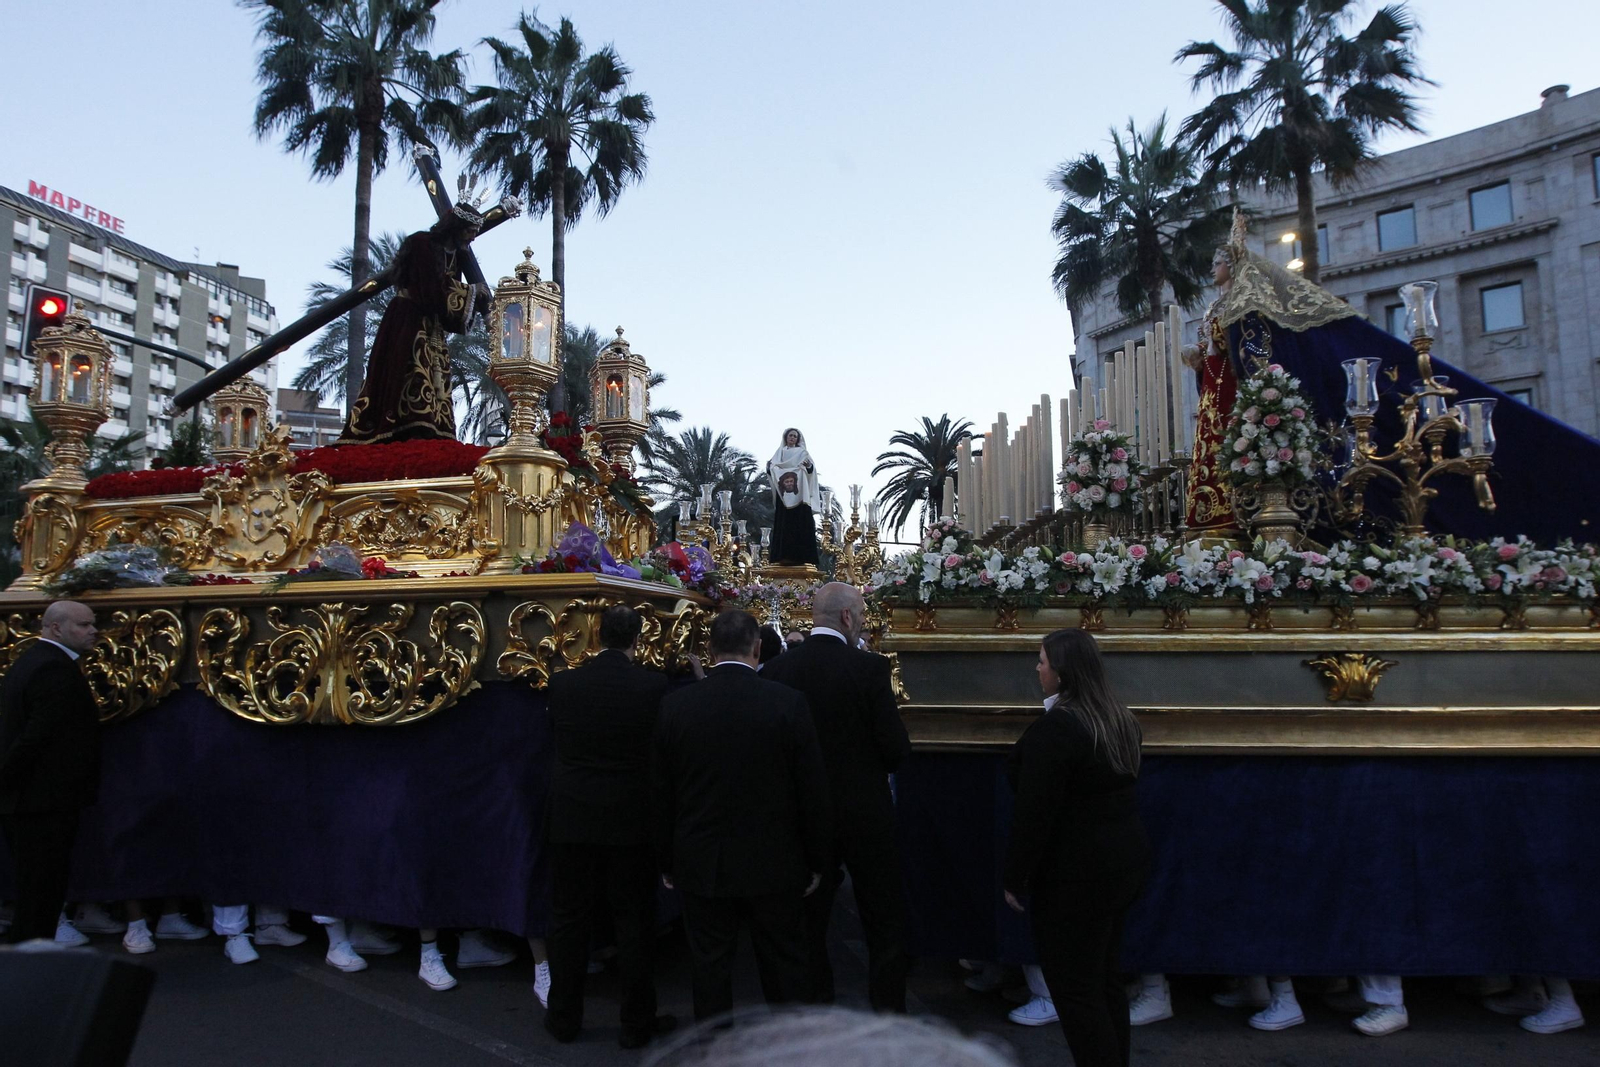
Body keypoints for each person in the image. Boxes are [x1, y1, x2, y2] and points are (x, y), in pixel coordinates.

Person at [652, 610, 831, 1022]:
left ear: (710, 650)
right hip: (776, 860)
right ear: (756, 648)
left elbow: (662, 792)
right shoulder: (787, 703)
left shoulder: (677, 706)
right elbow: (812, 791)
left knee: (710, 967)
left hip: (702, 857)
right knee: (784, 964)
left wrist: (666, 858)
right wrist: (818, 859)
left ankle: (716, 1050)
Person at [1004, 629, 1150, 1067]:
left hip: (1075, 877)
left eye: (1043, 661)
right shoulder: (1117, 718)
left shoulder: (1059, 729)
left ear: (1063, 672)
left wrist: (1016, 876)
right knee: (1105, 982)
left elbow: (1036, 812)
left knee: (1076, 991)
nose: (1037, 668)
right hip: (1120, 866)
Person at [762, 583, 911, 1012]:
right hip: (864, 812)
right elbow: (895, 749)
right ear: (847, 617)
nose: (863, 621)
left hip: (802, 817)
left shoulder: (777, 672)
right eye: (862, 614)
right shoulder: (869, 670)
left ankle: (814, 1000)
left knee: (809, 919)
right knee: (882, 917)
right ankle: (888, 1009)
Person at [543, 605, 676, 1049]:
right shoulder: (654, 686)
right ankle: (636, 1024)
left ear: (597, 635)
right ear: (637, 639)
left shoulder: (564, 683)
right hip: (630, 820)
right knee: (634, 923)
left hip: (573, 816)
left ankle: (563, 1018)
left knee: (569, 920)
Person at [337, 189, 490, 444]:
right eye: (470, 231)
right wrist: (471, 291)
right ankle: (399, 427)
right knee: (404, 368)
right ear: (457, 226)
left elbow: (446, 299)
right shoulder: (422, 244)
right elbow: (428, 288)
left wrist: (469, 295)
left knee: (434, 375)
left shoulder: (456, 255)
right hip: (408, 318)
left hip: (432, 325)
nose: (473, 237)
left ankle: (430, 428)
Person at [0, 601, 100, 945]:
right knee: (41, 890)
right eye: (83, 625)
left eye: (92, 624)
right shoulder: (52, 669)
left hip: (31, 798)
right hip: (42, 800)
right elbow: (36, 737)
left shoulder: (32, 661)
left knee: (35, 889)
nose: (93, 631)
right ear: (56, 628)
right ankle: (30, 963)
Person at [766, 430, 821, 567]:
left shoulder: (802, 452)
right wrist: (769, 468)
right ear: (786, 437)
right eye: (790, 435)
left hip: (800, 496)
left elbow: (811, 470)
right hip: (783, 496)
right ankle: (782, 556)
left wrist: (807, 467)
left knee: (800, 523)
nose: (792, 438)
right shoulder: (780, 453)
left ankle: (802, 556)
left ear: (798, 439)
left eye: (795, 436)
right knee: (784, 523)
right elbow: (772, 468)